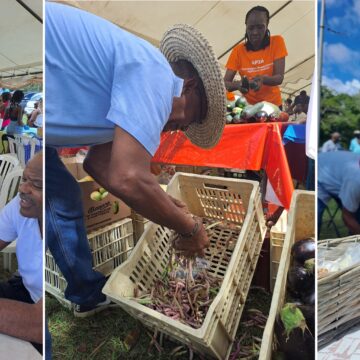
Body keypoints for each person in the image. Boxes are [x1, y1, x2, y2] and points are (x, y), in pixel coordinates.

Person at [46, 3, 226, 356]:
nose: (183, 128)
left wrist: (160, 199)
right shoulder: (156, 73)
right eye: (192, 117)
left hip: (47, 137)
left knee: (63, 194)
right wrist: (188, 228)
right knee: (60, 198)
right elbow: (127, 176)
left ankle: (85, 292)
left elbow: (102, 165)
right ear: (187, 86)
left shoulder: (140, 80)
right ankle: (85, 293)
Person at [0, 151, 43, 353]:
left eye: (37, 185)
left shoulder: (62, 233)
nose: (23, 189)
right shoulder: (22, 204)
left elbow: (39, 324)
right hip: (26, 290)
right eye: (24, 179)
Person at [224, 6, 288, 108]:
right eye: (251, 28)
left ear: (267, 25)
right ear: (246, 26)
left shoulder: (277, 42)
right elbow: (225, 83)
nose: (255, 32)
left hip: (273, 106)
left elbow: (279, 77)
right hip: (249, 108)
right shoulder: (238, 51)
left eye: (260, 27)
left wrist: (262, 79)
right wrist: (238, 85)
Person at [318, 151, 360, 236]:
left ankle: (353, 245)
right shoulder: (355, 181)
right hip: (320, 174)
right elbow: (347, 217)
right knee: (313, 219)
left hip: (339, 177)